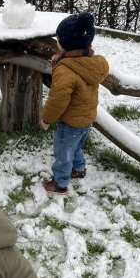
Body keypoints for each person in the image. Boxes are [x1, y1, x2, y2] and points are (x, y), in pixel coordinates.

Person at [41, 12, 109, 195]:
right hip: (86, 118)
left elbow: (58, 99)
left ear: (66, 44)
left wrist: (46, 119)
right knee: (76, 146)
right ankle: (79, 170)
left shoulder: (65, 69)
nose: (56, 42)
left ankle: (59, 184)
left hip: (70, 121)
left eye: (58, 39)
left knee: (63, 152)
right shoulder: (92, 62)